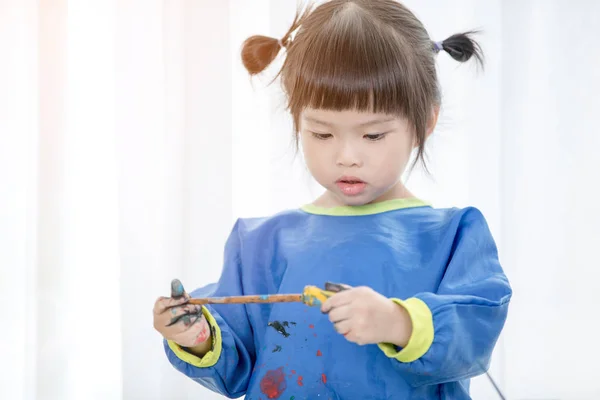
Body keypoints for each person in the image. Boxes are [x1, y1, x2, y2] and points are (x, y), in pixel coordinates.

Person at [152, 1, 512, 398]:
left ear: (425, 121)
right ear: (297, 121)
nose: (347, 155)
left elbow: (475, 332)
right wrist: (197, 335)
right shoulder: (259, 243)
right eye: (322, 134)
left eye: (373, 135)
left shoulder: (454, 236)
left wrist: (398, 323)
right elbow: (235, 366)